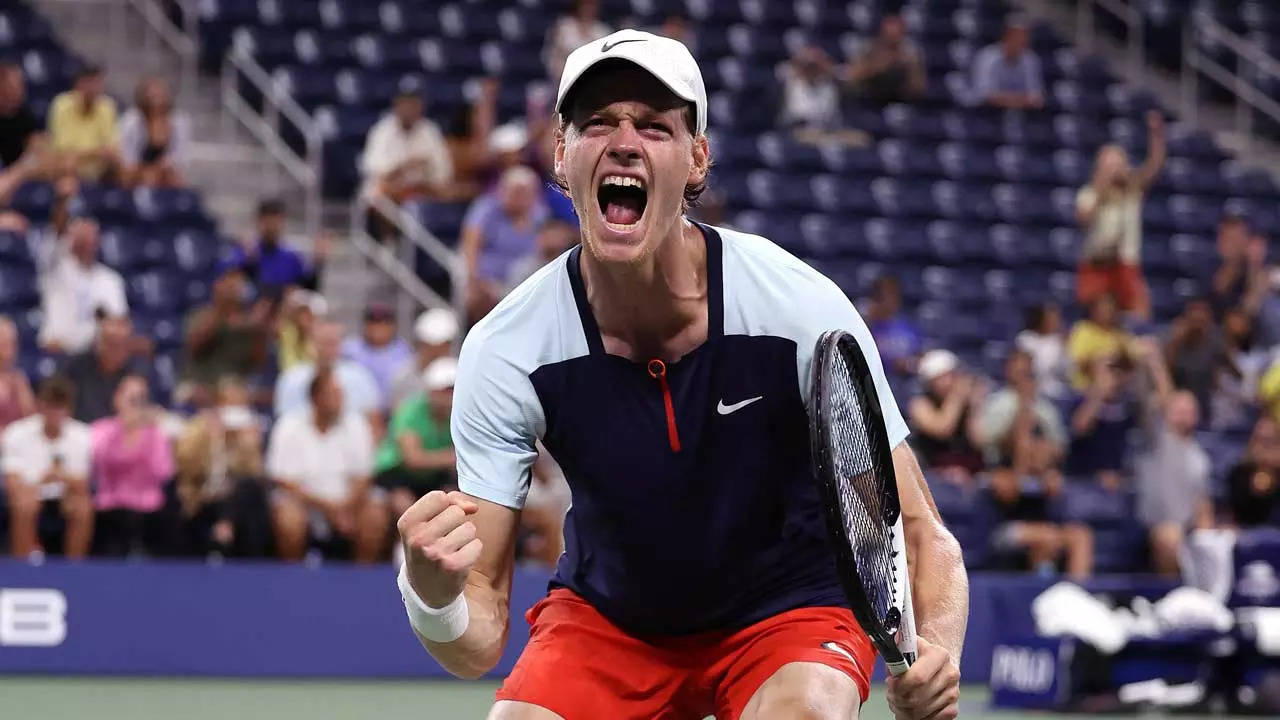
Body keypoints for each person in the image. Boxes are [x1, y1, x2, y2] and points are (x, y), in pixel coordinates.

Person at [395, 31, 966, 720]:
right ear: (561, 154)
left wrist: (936, 649)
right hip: (614, 621)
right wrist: (429, 592)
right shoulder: (508, 348)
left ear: (698, 158)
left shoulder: (796, 306)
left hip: (785, 609)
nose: (624, 141)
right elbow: (478, 641)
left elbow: (920, 531)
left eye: (655, 126)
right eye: (597, 122)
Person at [266, 368, 384, 563]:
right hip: (305, 505)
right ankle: (293, 580)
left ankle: (361, 581)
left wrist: (345, 507)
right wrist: (329, 508)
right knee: (289, 518)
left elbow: (364, 476)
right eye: (334, 394)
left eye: (341, 394)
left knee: (375, 516)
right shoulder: (289, 426)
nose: (340, 400)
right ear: (316, 397)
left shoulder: (356, 424)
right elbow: (284, 481)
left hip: (349, 504)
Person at [1075, 111, 1166, 320]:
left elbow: (1154, 166)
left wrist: (1157, 135)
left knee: (1140, 313)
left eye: (1119, 164)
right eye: (1110, 166)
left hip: (1126, 263)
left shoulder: (1131, 192)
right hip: (1097, 263)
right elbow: (1083, 220)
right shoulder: (1088, 193)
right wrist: (1101, 190)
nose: (1116, 170)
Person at [174, 376, 271, 558]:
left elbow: (255, 474)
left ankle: (226, 528)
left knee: (248, 489)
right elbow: (186, 466)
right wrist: (209, 438)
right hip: (201, 499)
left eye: (240, 405)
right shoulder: (198, 429)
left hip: (234, 504)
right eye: (230, 403)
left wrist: (242, 445)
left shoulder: (247, 434)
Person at [2, 376, 93, 559]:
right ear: (40, 406)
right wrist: (42, 480)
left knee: (82, 507)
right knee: (25, 504)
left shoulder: (82, 435)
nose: (54, 414)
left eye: (59, 408)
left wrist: (62, 478)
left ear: (69, 409)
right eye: (50, 407)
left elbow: (83, 485)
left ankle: (74, 570)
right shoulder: (16, 433)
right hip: (31, 493)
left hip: (65, 496)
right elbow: (13, 483)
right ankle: (23, 567)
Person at [90, 374, 175, 556]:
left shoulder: (156, 433)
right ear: (117, 398)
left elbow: (163, 472)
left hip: (147, 510)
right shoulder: (101, 429)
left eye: (141, 400)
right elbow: (99, 463)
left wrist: (149, 435)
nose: (136, 406)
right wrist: (123, 432)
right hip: (110, 507)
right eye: (131, 399)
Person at [1066, 339, 1164, 490]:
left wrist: (1154, 364)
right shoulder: (1080, 400)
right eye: (1110, 368)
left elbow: (1165, 408)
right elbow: (1080, 428)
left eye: (1119, 369)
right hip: (1083, 483)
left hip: (1119, 484)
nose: (1115, 374)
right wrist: (1099, 391)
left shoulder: (1129, 404)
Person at [1135, 389, 1211, 576]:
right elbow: (1157, 402)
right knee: (1170, 538)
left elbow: (1201, 502)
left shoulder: (1199, 457)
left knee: (1212, 544)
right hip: (1151, 525)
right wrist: (1156, 364)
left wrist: (1207, 537)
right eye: (1178, 410)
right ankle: (1172, 594)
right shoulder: (1156, 439)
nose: (1183, 416)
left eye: (1188, 411)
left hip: (1186, 528)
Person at [459, 165, 550, 322]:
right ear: (502, 190)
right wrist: (474, 279)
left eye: (524, 191)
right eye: (515, 191)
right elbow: (470, 243)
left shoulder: (540, 216)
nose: (519, 196)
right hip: (486, 280)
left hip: (523, 282)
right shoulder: (487, 208)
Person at [375, 356, 457, 521]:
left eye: (452, 389)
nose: (447, 395)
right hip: (397, 473)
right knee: (404, 505)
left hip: (433, 477)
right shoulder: (410, 411)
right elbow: (413, 460)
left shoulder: (460, 416)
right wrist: (451, 457)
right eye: (443, 389)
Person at [179, 263, 271, 406]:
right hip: (200, 384)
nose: (235, 287)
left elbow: (258, 363)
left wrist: (258, 330)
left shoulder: (248, 322)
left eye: (239, 282)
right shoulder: (201, 315)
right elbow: (194, 347)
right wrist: (221, 309)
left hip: (234, 388)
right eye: (230, 281)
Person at [37, 215, 128, 354]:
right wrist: (63, 199)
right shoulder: (56, 269)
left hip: (94, 356)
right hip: (57, 350)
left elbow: (118, 322)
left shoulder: (110, 280)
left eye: (91, 235)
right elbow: (57, 231)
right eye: (81, 235)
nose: (86, 240)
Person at [359, 81, 453, 204]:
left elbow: (444, 172)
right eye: (406, 103)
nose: (410, 108)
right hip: (388, 195)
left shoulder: (430, 130)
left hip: (423, 192)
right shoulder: (382, 131)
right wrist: (407, 165)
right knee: (380, 193)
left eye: (415, 103)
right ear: (397, 105)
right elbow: (377, 175)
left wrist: (423, 177)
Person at [274, 319, 381, 421]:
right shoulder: (292, 379)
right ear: (311, 343)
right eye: (323, 342)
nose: (328, 348)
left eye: (333, 342)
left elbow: (374, 422)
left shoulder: (360, 377)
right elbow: (284, 424)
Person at [223, 198, 327, 300]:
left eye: (275, 223)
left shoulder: (291, 258)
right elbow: (234, 287)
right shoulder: (245, 253)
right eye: (268, 224)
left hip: (282, 313)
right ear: (258, 222)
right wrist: (250, 263)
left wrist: (318, 263)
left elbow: (306, 291)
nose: (272, 229)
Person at [908, 349, 986, 482]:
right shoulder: (919, 404)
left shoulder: (965, 403)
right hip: (933, 472)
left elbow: (979, 441)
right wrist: (957, 396)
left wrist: (974, 408)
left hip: (968, 472)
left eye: (951, 376)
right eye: (941, 378)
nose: (948, 382)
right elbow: (943, 429)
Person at [61, 314, 152, 423]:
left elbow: (148, 413)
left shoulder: (137, 373)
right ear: (98, 343)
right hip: (81, 432)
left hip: (121, 435)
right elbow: (60, 405)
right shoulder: (76, 366)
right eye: (109, 342)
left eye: (120, 344)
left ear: (128, 347)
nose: (113, 350)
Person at [781, 44, 866, 146]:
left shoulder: (828, 85)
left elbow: (848, 76)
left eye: (815, 66)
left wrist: (823, 63)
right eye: (808, 65)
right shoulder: (792, 82)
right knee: (809, 137)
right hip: (798, 130)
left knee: (860, 138)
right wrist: (802, 60)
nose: (812, 68)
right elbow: (783, 70)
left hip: (827, 130)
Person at [47, 65, 120, 181]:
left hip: (99, 168)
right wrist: (97, 153)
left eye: (97, 84)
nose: (94, 89)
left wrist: (91, 154)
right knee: (67, 163)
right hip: (70, 167)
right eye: (89, 83)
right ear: (78, 85)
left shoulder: (107, 106)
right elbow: (63, 151)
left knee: (122, 166)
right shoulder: (62, 104)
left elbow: (112, 150)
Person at [1164, 297, 1229, 421]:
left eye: (1201, 321)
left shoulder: (1215, 343)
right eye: (1194, 320)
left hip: (1205, 401)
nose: (1197, 325)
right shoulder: (1175, 342)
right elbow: (1166, 373)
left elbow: (1230, 373)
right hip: (1178, 399)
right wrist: (1175, 342)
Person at [118, 76, 190, 187]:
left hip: (165, 172)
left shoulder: (179, 121)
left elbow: (180, 156)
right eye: (153, 94)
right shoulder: (132, 120)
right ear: (144, 96)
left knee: (175, 179)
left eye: (161, 93)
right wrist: (145, 172)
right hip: (136, 172)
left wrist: (164, 167)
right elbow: (127, 158)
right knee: (144, 178)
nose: (157, 98)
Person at [388, 307, 460, 409]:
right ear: (421, 344)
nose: (436, 352)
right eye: (430, 346)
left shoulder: (461, 375)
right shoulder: (403, 378)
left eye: (442, 346)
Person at [342, 303, 412, 408]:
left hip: (392, 412)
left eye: (384, 322)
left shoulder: (403, 351)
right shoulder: (350, 349)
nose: (378, 327)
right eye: (373, 322)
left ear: (393, 326)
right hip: (359, 413)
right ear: (365, 325)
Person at [846, 13, 926, 104]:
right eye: (888, 37)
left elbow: (919, 89)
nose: (891, 42)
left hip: (900, 101)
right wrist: (878, 66)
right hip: (869, 98)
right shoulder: (868, 48)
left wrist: (910, 67)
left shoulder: (910, 52)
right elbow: (851, 79)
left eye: (896, 38)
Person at [970, 15, 1043, 110]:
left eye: (1025, 36)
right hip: (985, 112)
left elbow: (1036, 98)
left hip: (1021, 113)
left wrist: (1006, 100)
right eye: (1018, 36)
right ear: (1007, 36)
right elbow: (984, 95)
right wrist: (1020, 100)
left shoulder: (1030, 59)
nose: (1023, 41)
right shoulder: (988, 56)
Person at [1066, 293, 1134, 390]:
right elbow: (1077, 362)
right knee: (1103, 362)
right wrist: (1102, 357)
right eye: (1103, 310)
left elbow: (1133, 358)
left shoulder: (1119, 333)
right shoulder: (1083, 330)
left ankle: (1161, 399)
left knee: (1150, 352)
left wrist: (1120, 356)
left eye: (1110, 310)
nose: (1106, 314)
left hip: (1118, 379)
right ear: (1094, 311)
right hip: (1087, 383)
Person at [1224, 417, 1280, 528]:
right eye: (1261, 440)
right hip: (1247, 534)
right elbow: (1237, 512)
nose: (1265, 448)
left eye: (1270, 441)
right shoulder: (1239, 472)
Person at [864, 274, 922, 378]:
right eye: (883, 297)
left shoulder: (908, 327)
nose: (889, 301)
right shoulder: (866, 327)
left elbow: (920, 354)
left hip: (907, 380)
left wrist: (910, 363)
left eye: (893, 295)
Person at [1211, 215, 1267, 318]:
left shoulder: (1253, 268)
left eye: (1237, 238)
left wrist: (1255, 264)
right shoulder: (1209, 263)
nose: (1233, 243)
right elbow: (1219, 291)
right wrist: (1233, 261)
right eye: (1227, 238)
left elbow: (1251, 307)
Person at [543, 0, 611, 81]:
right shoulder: (563, 27)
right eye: (585, 5)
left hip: (593, 79)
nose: (588, 8)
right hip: (562, 79)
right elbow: (553, 58)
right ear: (578, 5)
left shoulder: (603, 31)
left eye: (592, 5)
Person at [506, 218, 578, 291]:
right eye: (548, 236)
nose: (552, 240)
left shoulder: (570, 267)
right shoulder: (525, 266)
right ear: (539, 238)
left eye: (556, 236)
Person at [1015, 302, 1067, 401]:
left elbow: (1066, 371)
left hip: (1053, 389)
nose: (1055, 322)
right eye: (1051, 318)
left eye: (1057, 318)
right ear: (1041, 319)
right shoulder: (1026, 338)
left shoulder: (1058, 342)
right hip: (1030, 386)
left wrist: (1064, 348)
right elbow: (1029, 367)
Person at [0, 62, 41, 169]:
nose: (20, 90)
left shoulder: (25, 115)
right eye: (14, 85)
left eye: (21, 84)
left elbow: (35, 148)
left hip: (19, 172)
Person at [277, 288, 326, 372]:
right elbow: (289, 367)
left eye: (308, 315)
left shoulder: (320, 339)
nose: (303, 318)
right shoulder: (288, 333)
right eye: (301, 313)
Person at [0, 316, 35, 432]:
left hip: (15, 445)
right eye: (5, 343)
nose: (11, 349)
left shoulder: (18, 379)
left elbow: (29, 419)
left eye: (13, 343)